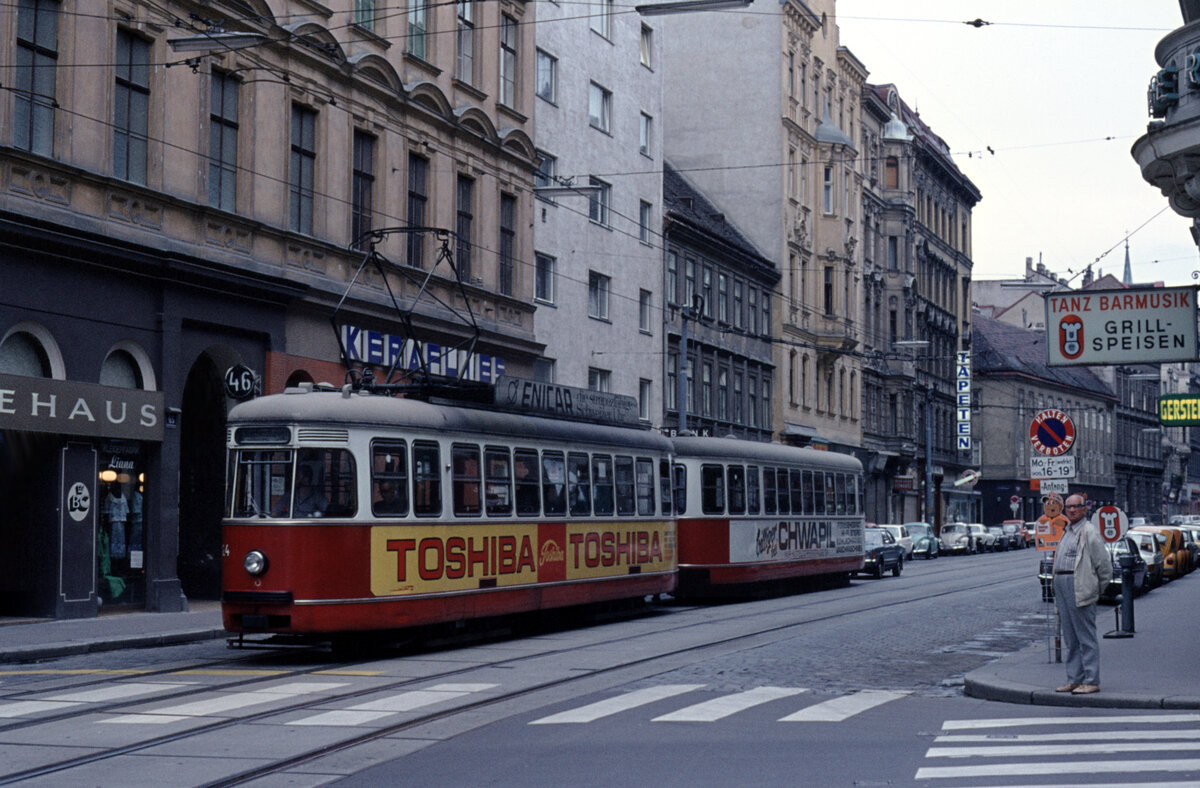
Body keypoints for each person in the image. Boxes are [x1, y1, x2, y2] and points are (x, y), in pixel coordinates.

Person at [1052, 494, 1113, 695]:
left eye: (1076, 506)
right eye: (1068, 507)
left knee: (1085, 636)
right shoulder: (1067, 531)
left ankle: (1091, 680)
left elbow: (1103, 565)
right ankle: (1074, 679)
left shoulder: (1089, 531)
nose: (1072, 510)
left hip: (1079, 584)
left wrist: (1095, 589)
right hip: (1062, 584)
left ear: (1084, 509)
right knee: (1070, 636)